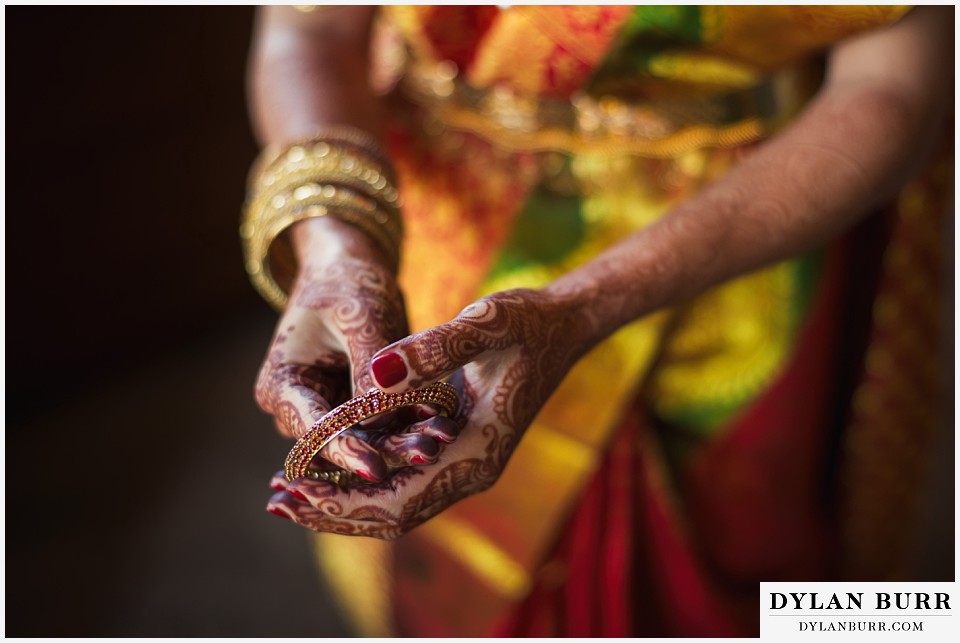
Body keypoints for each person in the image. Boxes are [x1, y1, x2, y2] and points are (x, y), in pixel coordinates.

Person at [242, 5, 952, 637]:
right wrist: (337, 243)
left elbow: (891, 86)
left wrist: (588, 304)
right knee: (442, 561)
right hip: (439, 238)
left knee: (747, 562)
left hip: (749, 249)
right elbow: (307, 28)